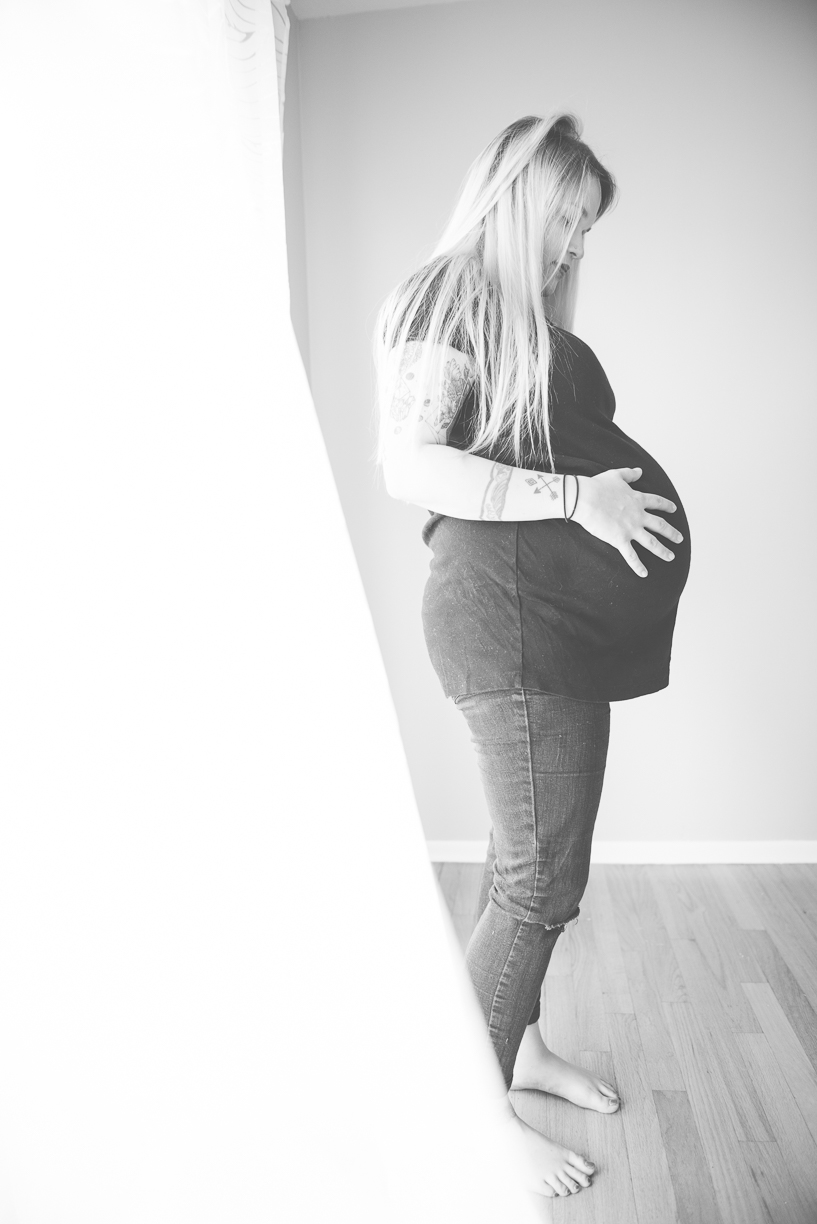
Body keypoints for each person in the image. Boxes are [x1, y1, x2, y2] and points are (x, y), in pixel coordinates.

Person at [373, 114, 690, 1199]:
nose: (571, 247)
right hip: (508, 627)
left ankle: (519, 1048)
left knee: (534, 875)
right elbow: (408, 465)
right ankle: (468, 1115)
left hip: (556, 630)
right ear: (513, 192)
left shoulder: (528, 324)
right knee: (536, 882)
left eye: (585, 233)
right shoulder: (444, 294)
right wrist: (580, 500)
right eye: (563, 219)